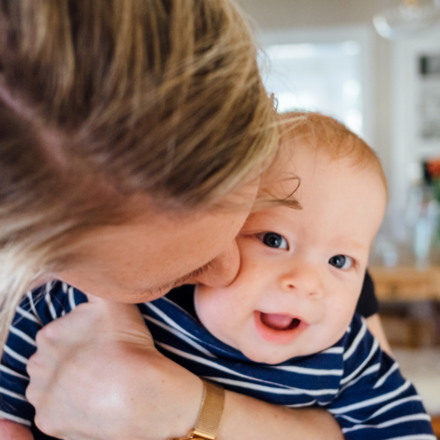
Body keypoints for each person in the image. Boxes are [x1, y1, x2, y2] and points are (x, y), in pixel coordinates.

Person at [0, 2, 385, 440]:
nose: (228, 268)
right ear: (33, 261)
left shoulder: (310, 256)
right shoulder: (49, 302)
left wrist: (193, 408)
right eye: (173, 275)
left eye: (250, 228)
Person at [1, 113, 433, 440]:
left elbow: (402, 427)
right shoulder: (139, 290)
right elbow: (13, 390)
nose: (305, 280)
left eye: (340, 262)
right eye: (273, 240)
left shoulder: (347, 352)